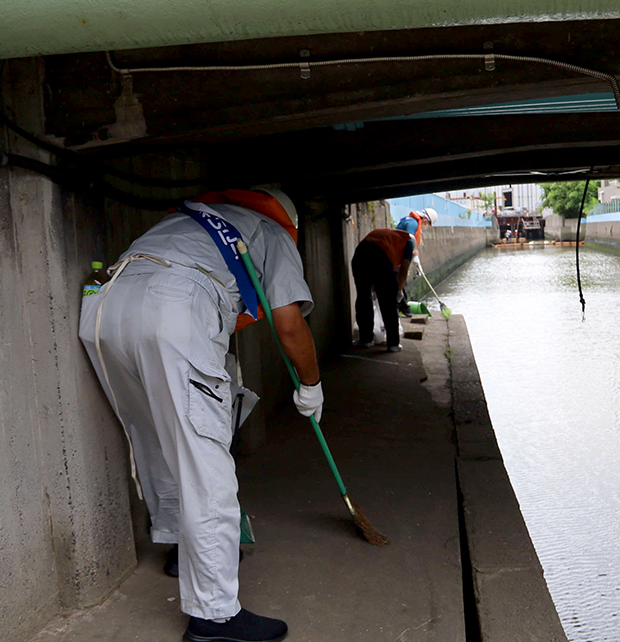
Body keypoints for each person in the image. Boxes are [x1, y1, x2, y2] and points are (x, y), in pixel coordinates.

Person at [78, 188, 321, 642]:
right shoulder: (271, 231)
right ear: (288, 220)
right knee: (205, 464)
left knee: (154, 437)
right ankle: (215, 618)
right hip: (173, 307)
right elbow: (288, 322)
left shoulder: (195, 221)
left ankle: (176, 546)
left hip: (105, 307)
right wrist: (311, 386)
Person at [352, 227, 415, 352]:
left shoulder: (390, 235)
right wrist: (398, 290)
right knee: (388, 303)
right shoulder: (409, 243)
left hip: (360, 254)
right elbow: (404, 271)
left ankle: (366, 340)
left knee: (364, 298)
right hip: (380, 257)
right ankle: (393, 344)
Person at [392, 208, 437, 316]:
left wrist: (417, 262)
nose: (426, 225)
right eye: (428, 223)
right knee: (399, 283)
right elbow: (409, 240)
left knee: (401, 283)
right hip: (394, 256)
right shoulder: (413, 223)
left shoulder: (410, 221)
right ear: (425, 218)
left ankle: (402, 307)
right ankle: (403, 308)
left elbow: (410, 244)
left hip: (396, 255)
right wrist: (414, 257)